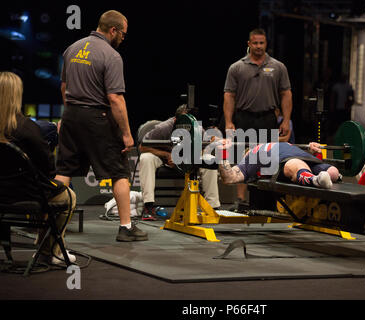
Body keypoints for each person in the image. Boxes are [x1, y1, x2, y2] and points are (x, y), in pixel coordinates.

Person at [55, 10, 147, 242]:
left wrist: (72, 113)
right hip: (98, 118)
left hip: (71, 115)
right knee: (119, 172)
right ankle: (126, 228)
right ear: (113, 30)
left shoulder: (72, 48)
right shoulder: (111, 55)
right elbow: (115, 98)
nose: (123, 39)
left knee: (64, 171)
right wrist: (126, 134)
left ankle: (51, 226)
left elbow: (64, 87)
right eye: (123, 35)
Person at [0, 71, 77, 265]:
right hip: (24, 194)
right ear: (17, 95)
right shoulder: (28, 128)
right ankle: (49, 251)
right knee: (68, 195)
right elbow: (48, 170)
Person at [221, 28, 293, 208]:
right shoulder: (237, 67)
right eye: (255, 43)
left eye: (262, 43)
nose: (259, 46)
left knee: (267, 159)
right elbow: (229, 96)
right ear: (249, 44)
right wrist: (229, 121)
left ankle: (265, 201)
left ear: (266, 44)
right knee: (241, 158)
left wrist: (285, 120)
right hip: (244, 118)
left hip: (267, 119)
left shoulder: (278, 67)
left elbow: (286, 94)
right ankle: (240, 200)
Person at [139, 105, 221, 220]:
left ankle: (212, 207)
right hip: (163, 158)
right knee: (145, 158)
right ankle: (148, 207)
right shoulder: (163, 128)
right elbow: (142, 147)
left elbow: (203, 147)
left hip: (186, 159)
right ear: (176, 120)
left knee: (209, 159)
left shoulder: (196, 127)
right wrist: (167, 155)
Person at [217, 140, 340, 189]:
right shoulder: (248, 162)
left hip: (303, 156)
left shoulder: (276, 144)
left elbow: (306, 154)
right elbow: (229, 178)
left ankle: (327, 177)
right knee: (294, 164)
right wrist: (222, 152)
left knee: (333, 172)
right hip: (286, 162)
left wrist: (313, 151)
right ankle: (315, 180)